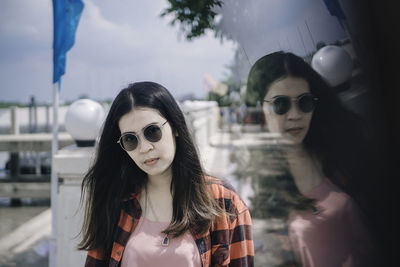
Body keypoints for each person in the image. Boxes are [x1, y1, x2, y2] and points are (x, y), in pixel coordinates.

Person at [78, 81, 254, 266]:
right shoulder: (114, 200)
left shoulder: (225, 202)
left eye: (152, 131)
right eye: (130, 139)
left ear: (175, 127)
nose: (145, 148)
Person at [246, 51, 378, 267]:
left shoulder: (340, 154)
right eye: (281, 104)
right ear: (259, 110)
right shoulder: (259, 191)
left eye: (304, 102)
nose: (295, 114)